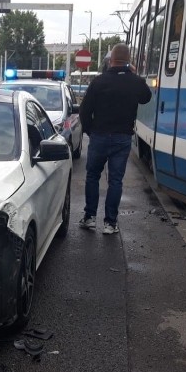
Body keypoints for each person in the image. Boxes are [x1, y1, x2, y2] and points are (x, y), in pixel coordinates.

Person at [78, 43, 152, 234]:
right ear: (129, 61)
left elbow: (85, 110)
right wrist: (135, 75)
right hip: (122, 139)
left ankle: (90, 217)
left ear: (110, 60)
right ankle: (110, 223)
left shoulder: (99, 81)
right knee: (116, 181)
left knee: (93, 176)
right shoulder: (134, 82)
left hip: (99, 136)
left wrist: (89, 131)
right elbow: (146, 98)